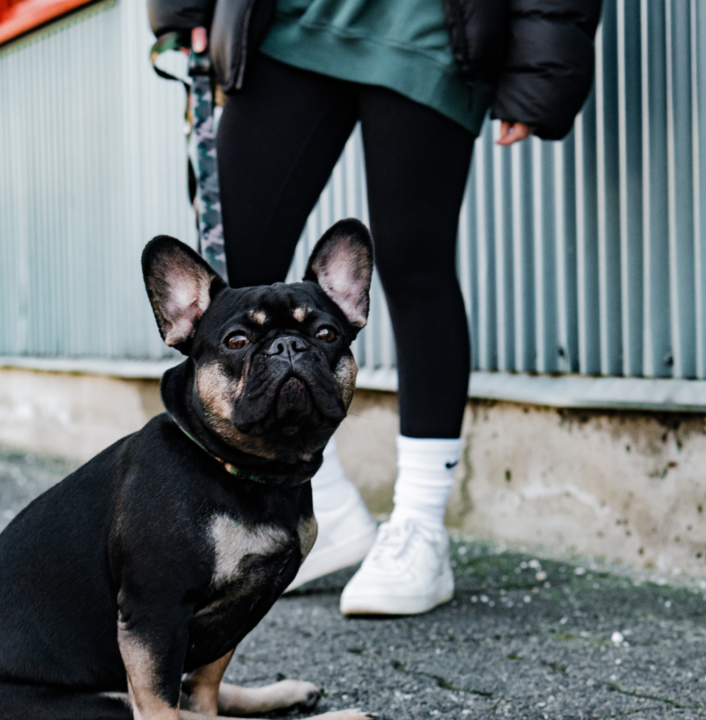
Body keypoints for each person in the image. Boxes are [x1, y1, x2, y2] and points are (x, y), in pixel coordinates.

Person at [148, 0, 603, 616]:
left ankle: (419, 526)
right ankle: (325, 507)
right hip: (284, 18)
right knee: (236, 269)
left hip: (429, 26)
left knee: (415, 264)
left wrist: (545, 61)